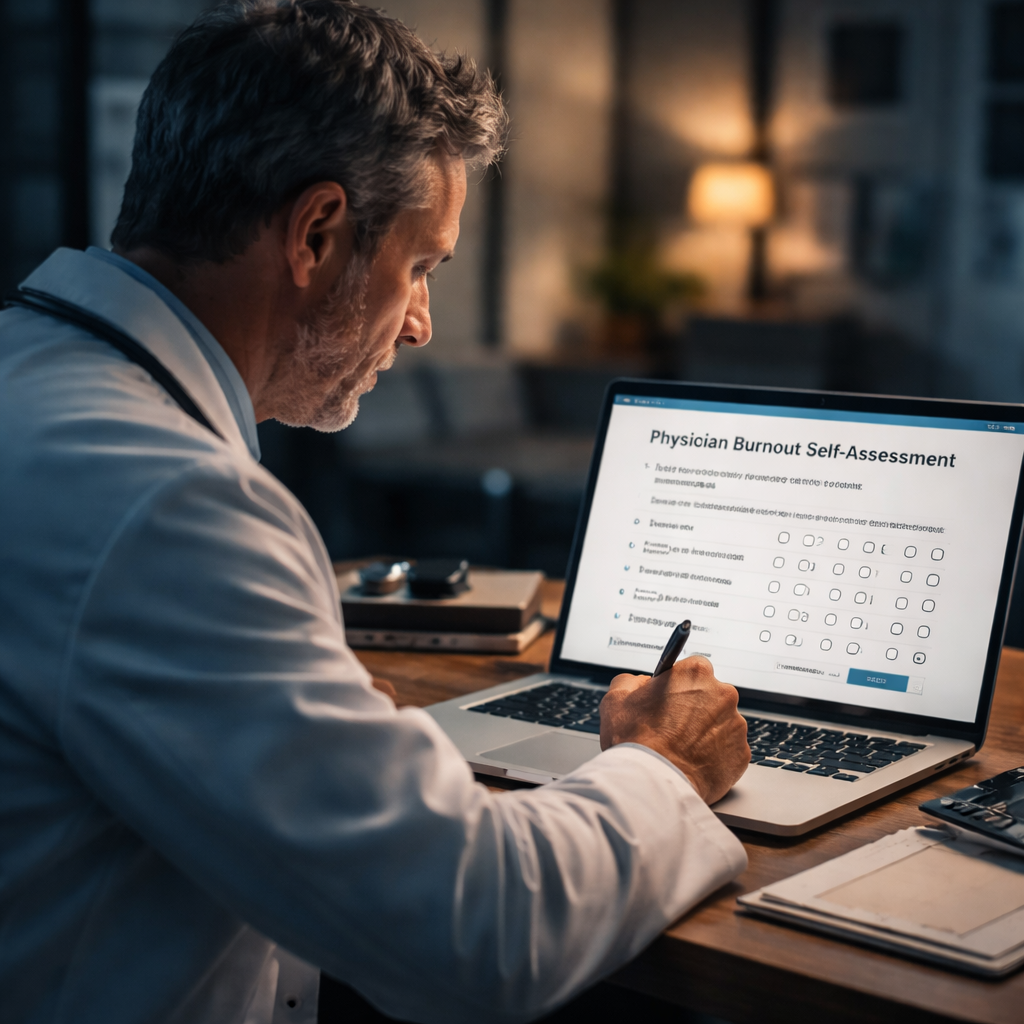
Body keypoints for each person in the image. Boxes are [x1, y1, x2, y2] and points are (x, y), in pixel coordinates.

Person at [0, 2, 750, 1022]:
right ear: (316, 233)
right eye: (421, 266)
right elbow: (480, 932)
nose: (422, 324)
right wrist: (660, 764)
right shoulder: (173, 509)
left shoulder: (31, 375)